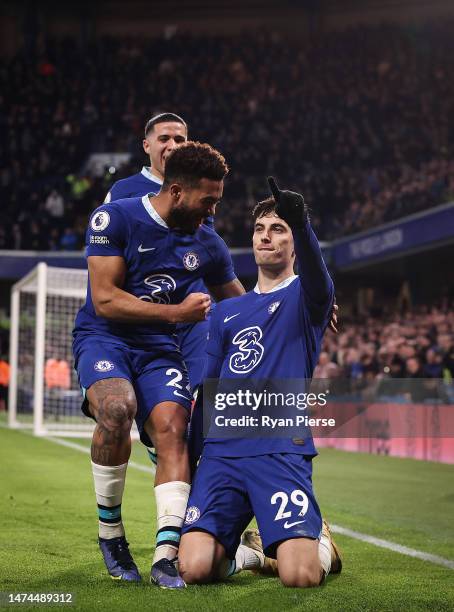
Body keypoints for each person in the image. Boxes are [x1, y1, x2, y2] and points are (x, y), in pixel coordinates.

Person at [72, 142, 244, 588]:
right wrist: (176, 314)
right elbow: (106, 300)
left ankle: (166, 554)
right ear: (176, 190)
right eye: (207, 200)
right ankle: (111, 535)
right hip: (103, 337)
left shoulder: (208, 241)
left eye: (217, 202)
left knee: (173, 429)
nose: (212, 211)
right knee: (116, 408)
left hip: (157, 348)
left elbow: (242, 305)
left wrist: (304, 305)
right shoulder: (116, 218)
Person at [179, 177, 342, 588]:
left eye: (278, 228)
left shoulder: (308, 299)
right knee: (195, 568)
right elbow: (208, 388)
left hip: (278, 449)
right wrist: (194, 456)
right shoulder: (225, 311)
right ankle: (253, 555)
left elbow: (321, 284)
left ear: (292, 242)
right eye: (260, 229)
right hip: (223, 454)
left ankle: (321, 540)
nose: (266, 236)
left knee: (300, 577)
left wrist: (300, 222)